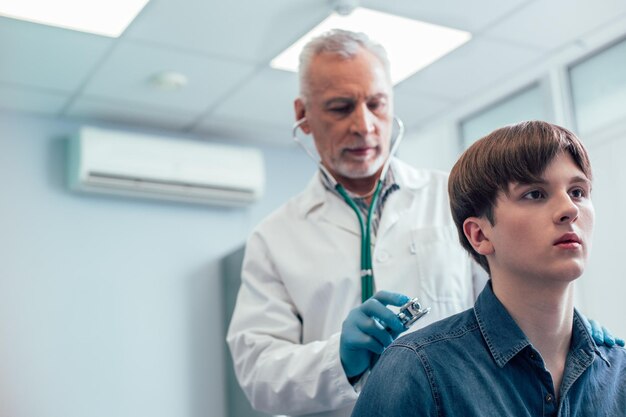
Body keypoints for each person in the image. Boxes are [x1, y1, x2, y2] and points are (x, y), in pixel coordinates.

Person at [226, 30, 615, 417]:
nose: (363, 124)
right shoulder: (275, 237)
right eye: (341, 107)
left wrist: (573, 339)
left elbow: (514, 302)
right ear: (303, 115)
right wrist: (339, 358)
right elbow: (259, 375)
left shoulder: (454, 197)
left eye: (376, 104)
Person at [351, 121, 626, 417]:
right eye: (535, 194)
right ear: (479, 235)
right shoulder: (417, 370)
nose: (570, 209)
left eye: (577, 192)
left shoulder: (619, 371)